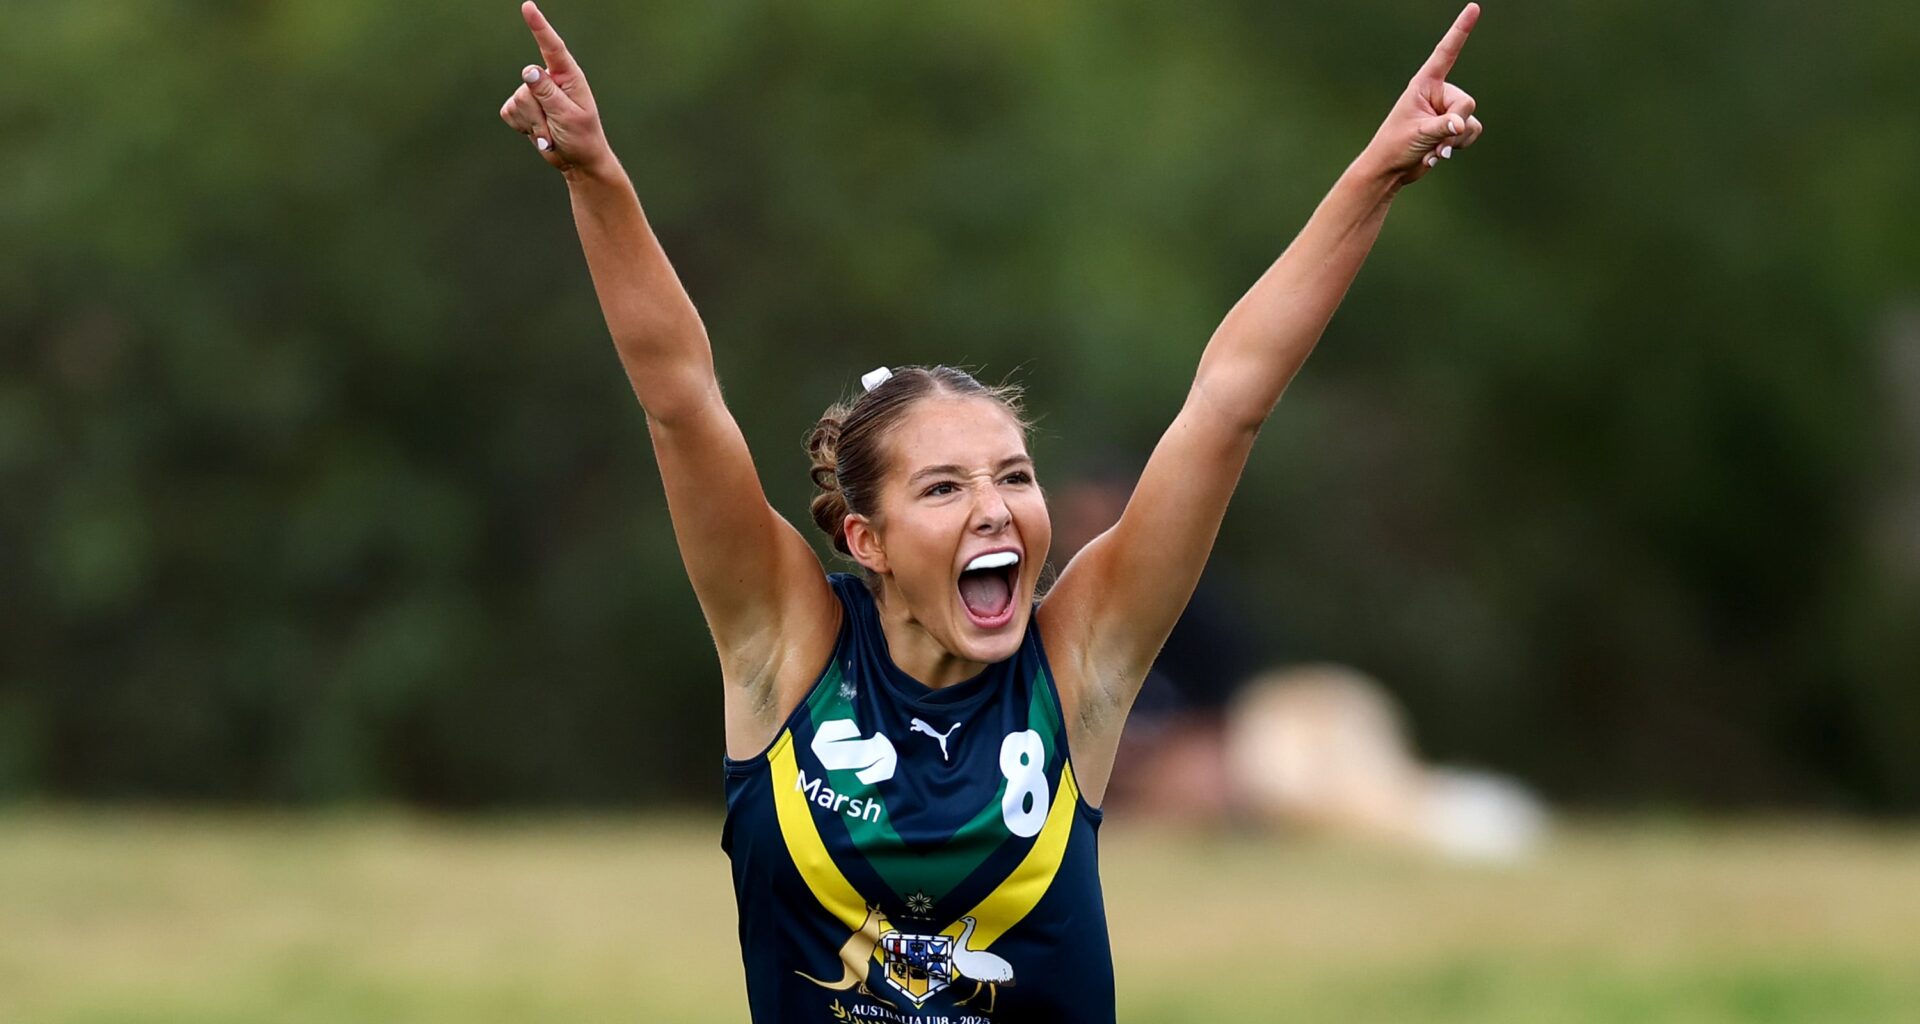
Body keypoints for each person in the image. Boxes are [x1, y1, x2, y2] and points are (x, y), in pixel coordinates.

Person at [497, 2, 1484, 1019]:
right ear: (863, 539)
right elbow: (678, 397)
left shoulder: (1079, 663)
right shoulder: (781, 642)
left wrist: (1374, 175)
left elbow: (1229, 403)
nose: (997, 511)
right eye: (944, 486)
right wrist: (595, 177)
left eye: (1014, 476)